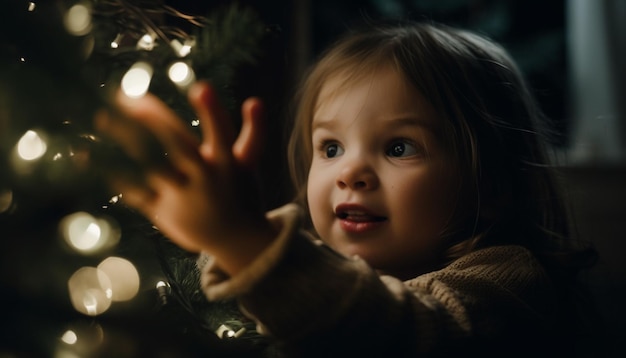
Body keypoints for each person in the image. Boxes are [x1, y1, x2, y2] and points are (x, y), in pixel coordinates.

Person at [95, 21, 599, 357]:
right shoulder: (313, 259)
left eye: (400, 147)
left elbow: (387, 331)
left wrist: (243, 239)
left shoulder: (507, 280)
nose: (350, 173)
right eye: (331, 148)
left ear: (492, 186)